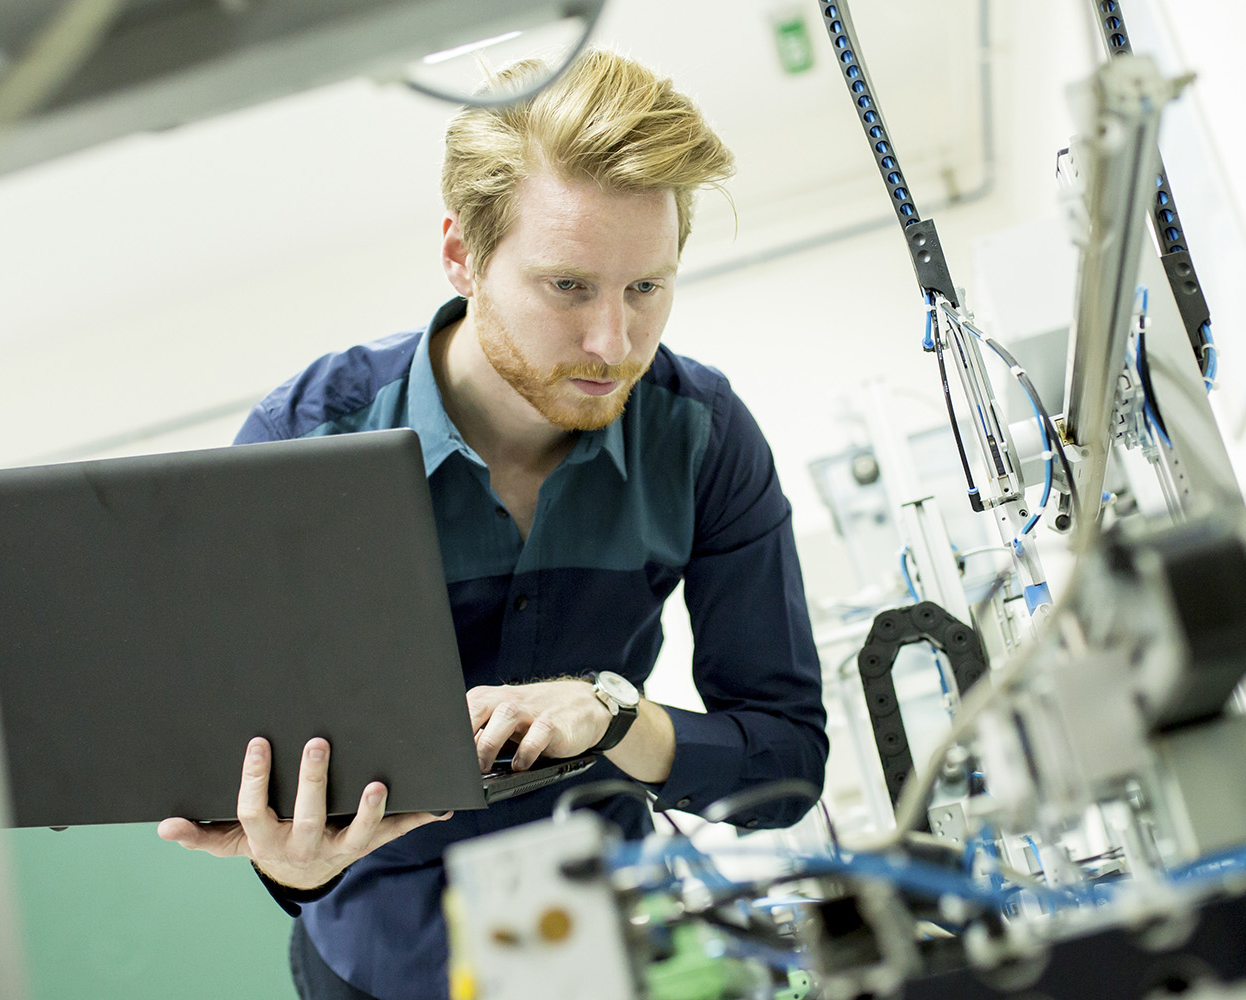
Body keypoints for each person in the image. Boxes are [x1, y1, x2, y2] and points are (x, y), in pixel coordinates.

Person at [157, 49, 828, 1000]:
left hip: (600, 941)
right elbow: (250, 769)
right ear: (460, 257)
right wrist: (290, 862)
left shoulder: (703, 437)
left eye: (647, 289)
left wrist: (612, 714)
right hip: (375, 959)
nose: (614, 342)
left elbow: (786, 760)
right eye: (568, 287)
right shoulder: (298, 446)